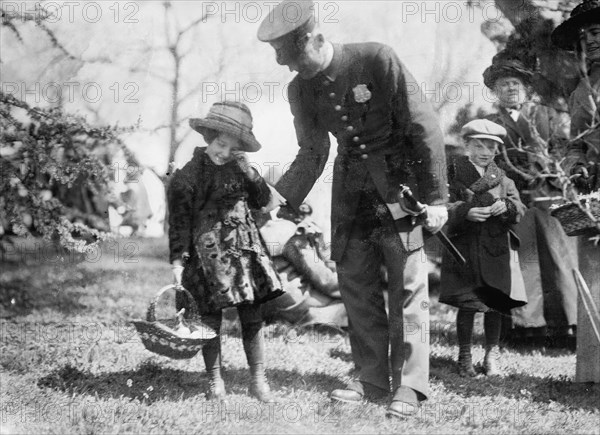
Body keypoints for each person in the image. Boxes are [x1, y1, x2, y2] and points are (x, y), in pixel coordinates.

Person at [257, 0, 449, 418]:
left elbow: (424, 125)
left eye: (295, 58)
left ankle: (411, 385)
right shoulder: (300, 89)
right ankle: (372, 378)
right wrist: (278, 199)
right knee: (355, 284)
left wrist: (436, 199)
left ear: (316, 39)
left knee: (407, 287)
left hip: (402, 191)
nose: (292, 68)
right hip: (351, 196)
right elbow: (313, 150)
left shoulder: (375, 58)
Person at [167, 101, 284, 402]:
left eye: (232, 148)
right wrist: (178, 260)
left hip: (243, 251)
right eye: (220, 144)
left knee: (252, 314)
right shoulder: (188, 175)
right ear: (210, 138)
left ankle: (258, 380)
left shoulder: (242, 169)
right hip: (206, 257)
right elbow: (179, 223)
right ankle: (214, 382)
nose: (224, 152)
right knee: (209, 318)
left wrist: (251, 174)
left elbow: (262, 201)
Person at [483, 56, 579, 348]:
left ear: (526, 88)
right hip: (514, 200)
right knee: (523, 265)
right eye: (503, 84)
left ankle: (568, 327)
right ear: (495, 92)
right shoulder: (489, 124)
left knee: (559, 260)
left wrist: (559, 175)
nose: (510, 89)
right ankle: (529, 330)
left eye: (515, 83)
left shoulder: (548, 115)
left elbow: (567, 150)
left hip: (550, 196)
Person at [439, 120, 528, 377]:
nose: (485, 151)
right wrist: (465, 211)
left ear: (497, 151)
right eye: (479, 145)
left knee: (495, 306)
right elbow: (441, 205)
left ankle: (491, 355)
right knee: (468, 304)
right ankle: (464, 356)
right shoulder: (453, 174)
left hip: (496, 248)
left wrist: (506, 207)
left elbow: (519, 209)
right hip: (465, 248)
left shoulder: (503, 179)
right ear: (466, 145)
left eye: (491, 147)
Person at [552, 0, 600, 383]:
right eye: (587, 36)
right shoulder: (582, 92)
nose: (595, 41)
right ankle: (592, 373)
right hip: (595, 198)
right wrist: (576, 167)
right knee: (594, 277)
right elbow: (574, 145)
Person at [258, 204, 347, 329]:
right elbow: (324, 281)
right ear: (300, 216)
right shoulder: (294, 234)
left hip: (266, 308)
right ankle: (317, 320)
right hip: (295, 304)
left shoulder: (265, 229)